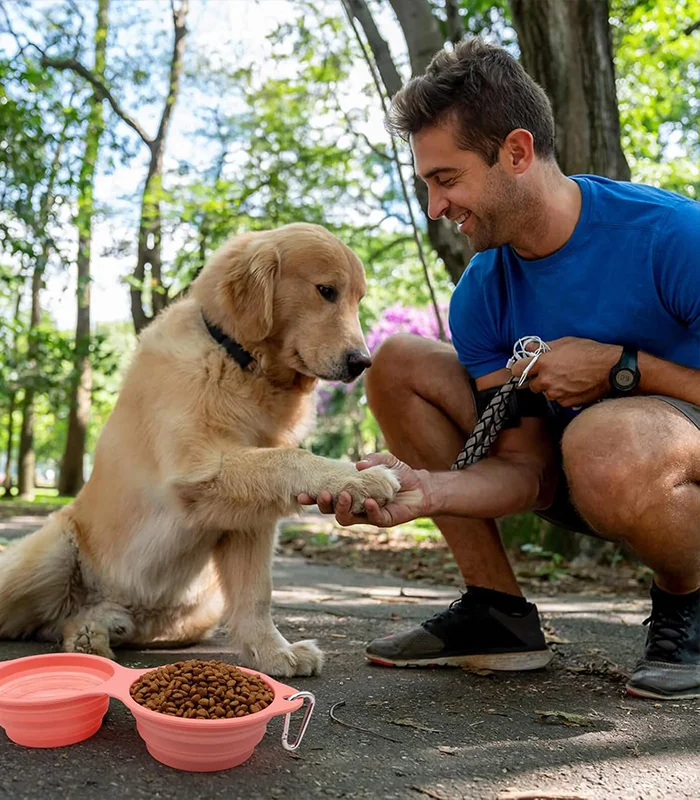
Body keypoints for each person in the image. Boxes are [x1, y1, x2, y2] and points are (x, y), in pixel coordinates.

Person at [297, 38, 700, 701]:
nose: (435, 208)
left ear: (516, 152)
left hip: (660, 458)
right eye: (427, 184)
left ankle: (688, 604)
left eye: (446, 180)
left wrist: (624, 370)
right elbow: (528, 468)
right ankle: (498, 614)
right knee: (397, 362)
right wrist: (426, 490)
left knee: (604, 442)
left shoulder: (672, 237)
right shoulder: (483, 289)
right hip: (581, 470)